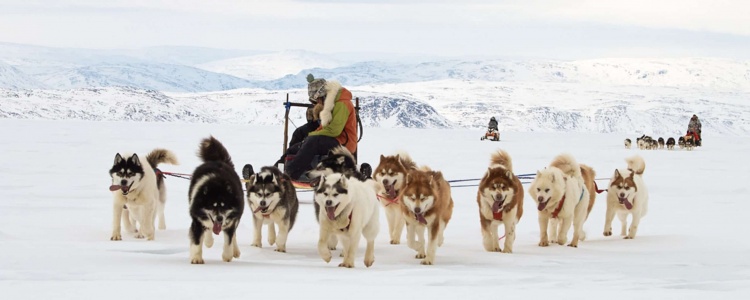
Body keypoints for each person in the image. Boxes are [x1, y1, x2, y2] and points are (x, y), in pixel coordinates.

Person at [284, 74, 358, 182]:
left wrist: (311, 136)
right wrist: (308, 138)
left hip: (344, 144)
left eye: (317, 100)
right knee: (297, 146)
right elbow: (323, 128)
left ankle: (291, 174)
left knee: (314, 141)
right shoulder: (331, 105)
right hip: (334, 140)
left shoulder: (342, 104)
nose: (317, 103)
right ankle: (277, 170)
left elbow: (334, 130)